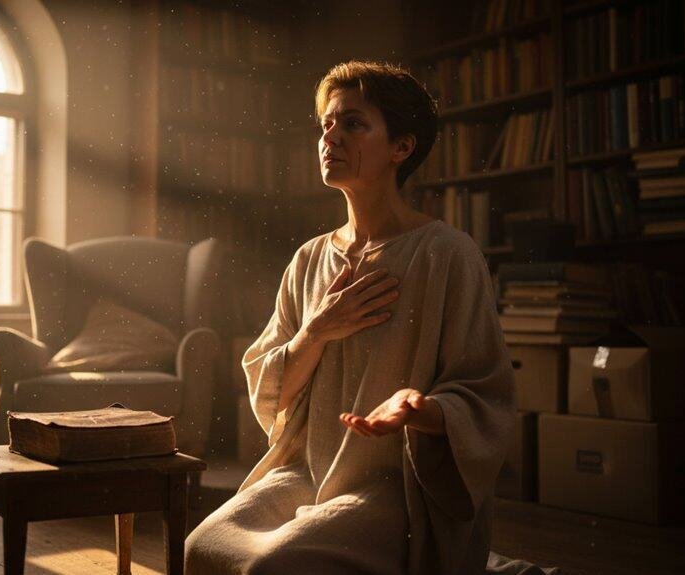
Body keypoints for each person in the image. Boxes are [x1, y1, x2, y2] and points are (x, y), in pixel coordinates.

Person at [184, 60, 522, 574]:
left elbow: (485, 394)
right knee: (203, 547)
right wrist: (316, 331)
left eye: (353, 124)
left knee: (271, 566)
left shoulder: (447, 254)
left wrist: (419, 410)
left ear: (401, 147)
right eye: (327, 125)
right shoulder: (308, 260)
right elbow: (271, 390)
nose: (331, 137)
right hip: (305, 468)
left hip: (396, 486)